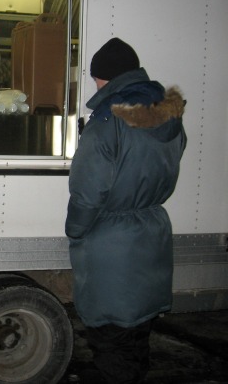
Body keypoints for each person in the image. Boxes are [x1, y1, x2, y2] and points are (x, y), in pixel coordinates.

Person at [65, 37, 186, 383]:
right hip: (152, 232)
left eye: (96, 76)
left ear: (107, 78)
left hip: (112, 245)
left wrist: (75, 229)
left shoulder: (107, 121)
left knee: (113, 341)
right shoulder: (167, 115)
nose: (95, 83)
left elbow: (88, 192)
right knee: (135, 338)